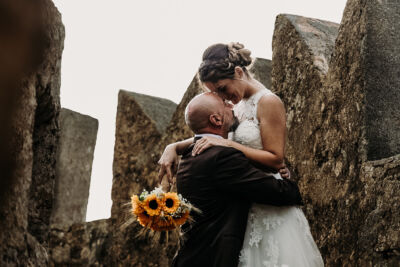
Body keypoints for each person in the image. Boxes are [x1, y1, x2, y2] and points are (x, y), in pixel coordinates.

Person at [159, 42, 324, 266]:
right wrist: (174, 147)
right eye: (215, 93)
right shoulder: (234, 106)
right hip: (242, 211)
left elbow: (276, 159)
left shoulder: (268, 102)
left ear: (238, 72)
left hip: (269, 204)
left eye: (222, 89)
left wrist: (231, 146)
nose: (222, 97)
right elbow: (211, 137)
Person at [172, 92, 303, 267]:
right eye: (224, 103)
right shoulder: (222, 157)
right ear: (216, 120)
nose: (231, 106)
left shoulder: (189, 155)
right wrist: (289, 182)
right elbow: (276, 193)